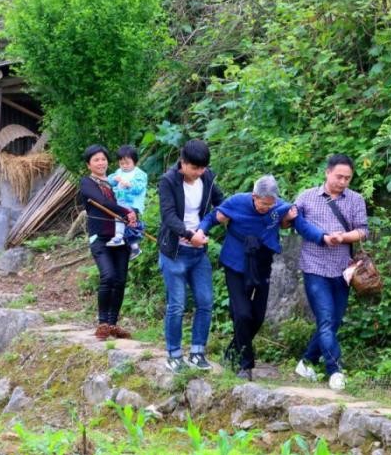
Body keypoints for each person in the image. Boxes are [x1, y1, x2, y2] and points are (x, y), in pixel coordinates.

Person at [197, 175, 330, 380]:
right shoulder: (236, 203)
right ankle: (245, 365)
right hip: (236, 262)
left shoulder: (280, 208)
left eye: (270, 204)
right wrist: (200, 232)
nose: (266, 208)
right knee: (242, 314)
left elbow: (297, 223)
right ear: (254, 196)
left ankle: (233, 351)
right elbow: (211, 218)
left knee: (257, 316)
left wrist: (322, 237)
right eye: (262, 204)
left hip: (262, 263)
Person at [293, 154, 368, 391]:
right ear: (327, 173)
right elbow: (294, 223)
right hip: (314, 267)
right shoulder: (307, 197)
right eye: (339, 177)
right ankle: (334, 370)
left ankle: (306, 362)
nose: (343, 182)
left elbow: (363, 231)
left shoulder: (355, 199)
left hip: (343, 270)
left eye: (347, 178)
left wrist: (343, 237)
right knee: (325, 319)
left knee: (333, 322)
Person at [158, 139, 224, 373]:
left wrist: (219, 218)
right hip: (174, 252)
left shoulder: (207, 177)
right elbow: (168, 216)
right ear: (183, 163)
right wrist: (188, 234)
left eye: (202, 168)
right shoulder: (168, 181)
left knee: (205, 302)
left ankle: (197, 352)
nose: (199, 173)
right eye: (194, 168)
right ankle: (174, 354)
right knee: (176, 305)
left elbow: (221, 202)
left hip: (199, 252)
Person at [78, 145, 137, 341]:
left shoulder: (115, 181)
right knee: (108, 276)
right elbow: (101, 202)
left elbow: (131, 197)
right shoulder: (87, 183)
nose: (101, 163)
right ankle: (102, 323)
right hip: (100, 238)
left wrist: (133, 212)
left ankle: (113, 324)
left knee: (120, 280)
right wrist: (125, 212)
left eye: (103, 159)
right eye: (96, 160)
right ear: (89, 164)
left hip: (121, 238)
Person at [107, 145, 148, 260]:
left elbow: (139, 188)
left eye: (127, 163)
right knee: (128, 225)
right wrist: (114, 179)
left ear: (134, 162)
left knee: (121, 218)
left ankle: (119, 236)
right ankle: (134, 247)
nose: (124, 166)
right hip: (121, 202)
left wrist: (129, 184)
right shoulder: (119, 172)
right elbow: (110, 179)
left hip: (133, 204)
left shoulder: (140, 174)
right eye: (121, 163)